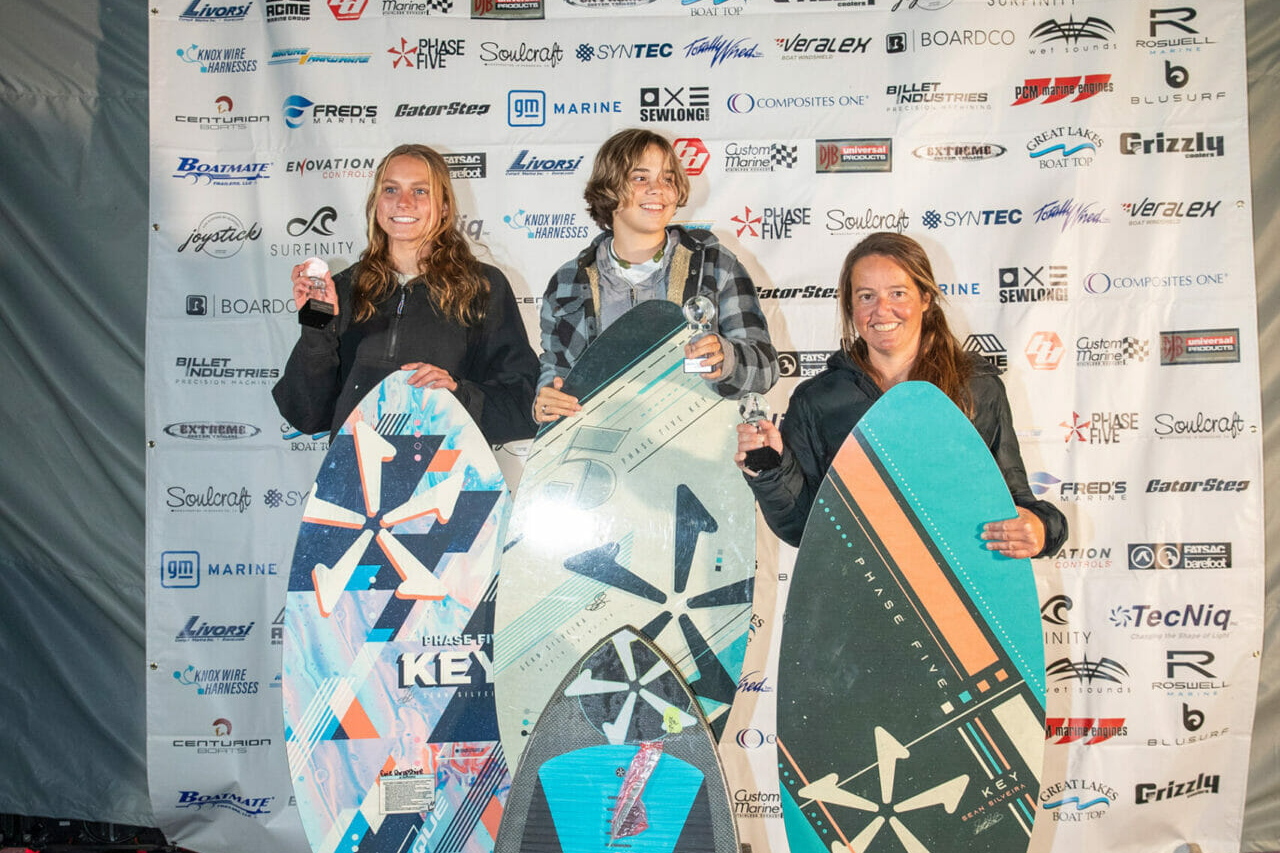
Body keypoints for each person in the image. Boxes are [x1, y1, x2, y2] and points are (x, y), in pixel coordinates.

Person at [736, 232, 1067, 559]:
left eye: (897, 293)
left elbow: (1013, 502)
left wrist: (1040, 528)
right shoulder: (817, 400)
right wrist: (770, 469)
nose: (882, 310)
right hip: (860, 596)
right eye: (866, 296)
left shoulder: (976, 387)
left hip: (957, 594)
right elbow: (800, 529)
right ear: (850, 306)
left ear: (925, 298)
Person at [273, 143, 538, 444]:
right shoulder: (343, 288)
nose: (403, 202)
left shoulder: (482, 288)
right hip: (355, 480)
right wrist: (316, 325)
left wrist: (457, 395)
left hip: (448, 480)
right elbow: (305, 414)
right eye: (390, 189)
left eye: (420, 191)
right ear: (376, 203)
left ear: (445, 208)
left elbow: (523, 404)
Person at [533, 128, 778, 423]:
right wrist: (546, 399)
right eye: (640, 178)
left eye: (668, 179)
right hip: (601, 455)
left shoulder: (715, 264)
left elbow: (765, 370)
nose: (658, 189)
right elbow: (555, 371)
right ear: (608, 189)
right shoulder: (567, 281)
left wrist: (726, 360)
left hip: (699, 457)